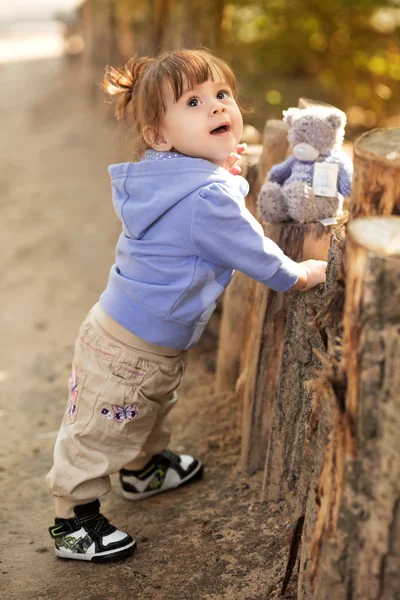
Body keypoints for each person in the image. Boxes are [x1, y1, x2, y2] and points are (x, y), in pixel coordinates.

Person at [46, 48, 327, 563]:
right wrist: (298, 274)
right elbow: (251, 248)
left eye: (222, 95)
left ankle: (143, 469)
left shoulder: (167, 175)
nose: (218, 108)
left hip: (137, 333)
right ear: (159, 136)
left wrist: (219, 163)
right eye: (194, 102)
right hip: (131, 343)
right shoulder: (204, 197)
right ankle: (72, 519)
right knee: (101, 428)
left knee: (147, 411)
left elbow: (204, 199)